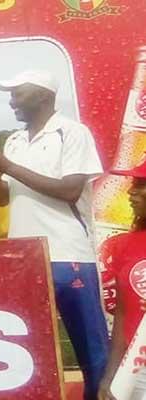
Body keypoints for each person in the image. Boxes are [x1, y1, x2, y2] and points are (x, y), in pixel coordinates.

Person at [0, 70, 108, 400]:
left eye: (19, 94)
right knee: (30, 349)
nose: (12, 100)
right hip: (25, 259)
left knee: (91, 349)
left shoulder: (72, 132)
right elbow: (5, 198)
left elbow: (71, 190)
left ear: (44, 96)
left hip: (69, 254)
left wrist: (7, 167)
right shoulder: (15, 140)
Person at [98, 156, 146, 400]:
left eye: (140, 184)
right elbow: (122, 313)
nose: (131, 192)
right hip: (135, 369)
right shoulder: (123, 246)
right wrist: (111, 375)